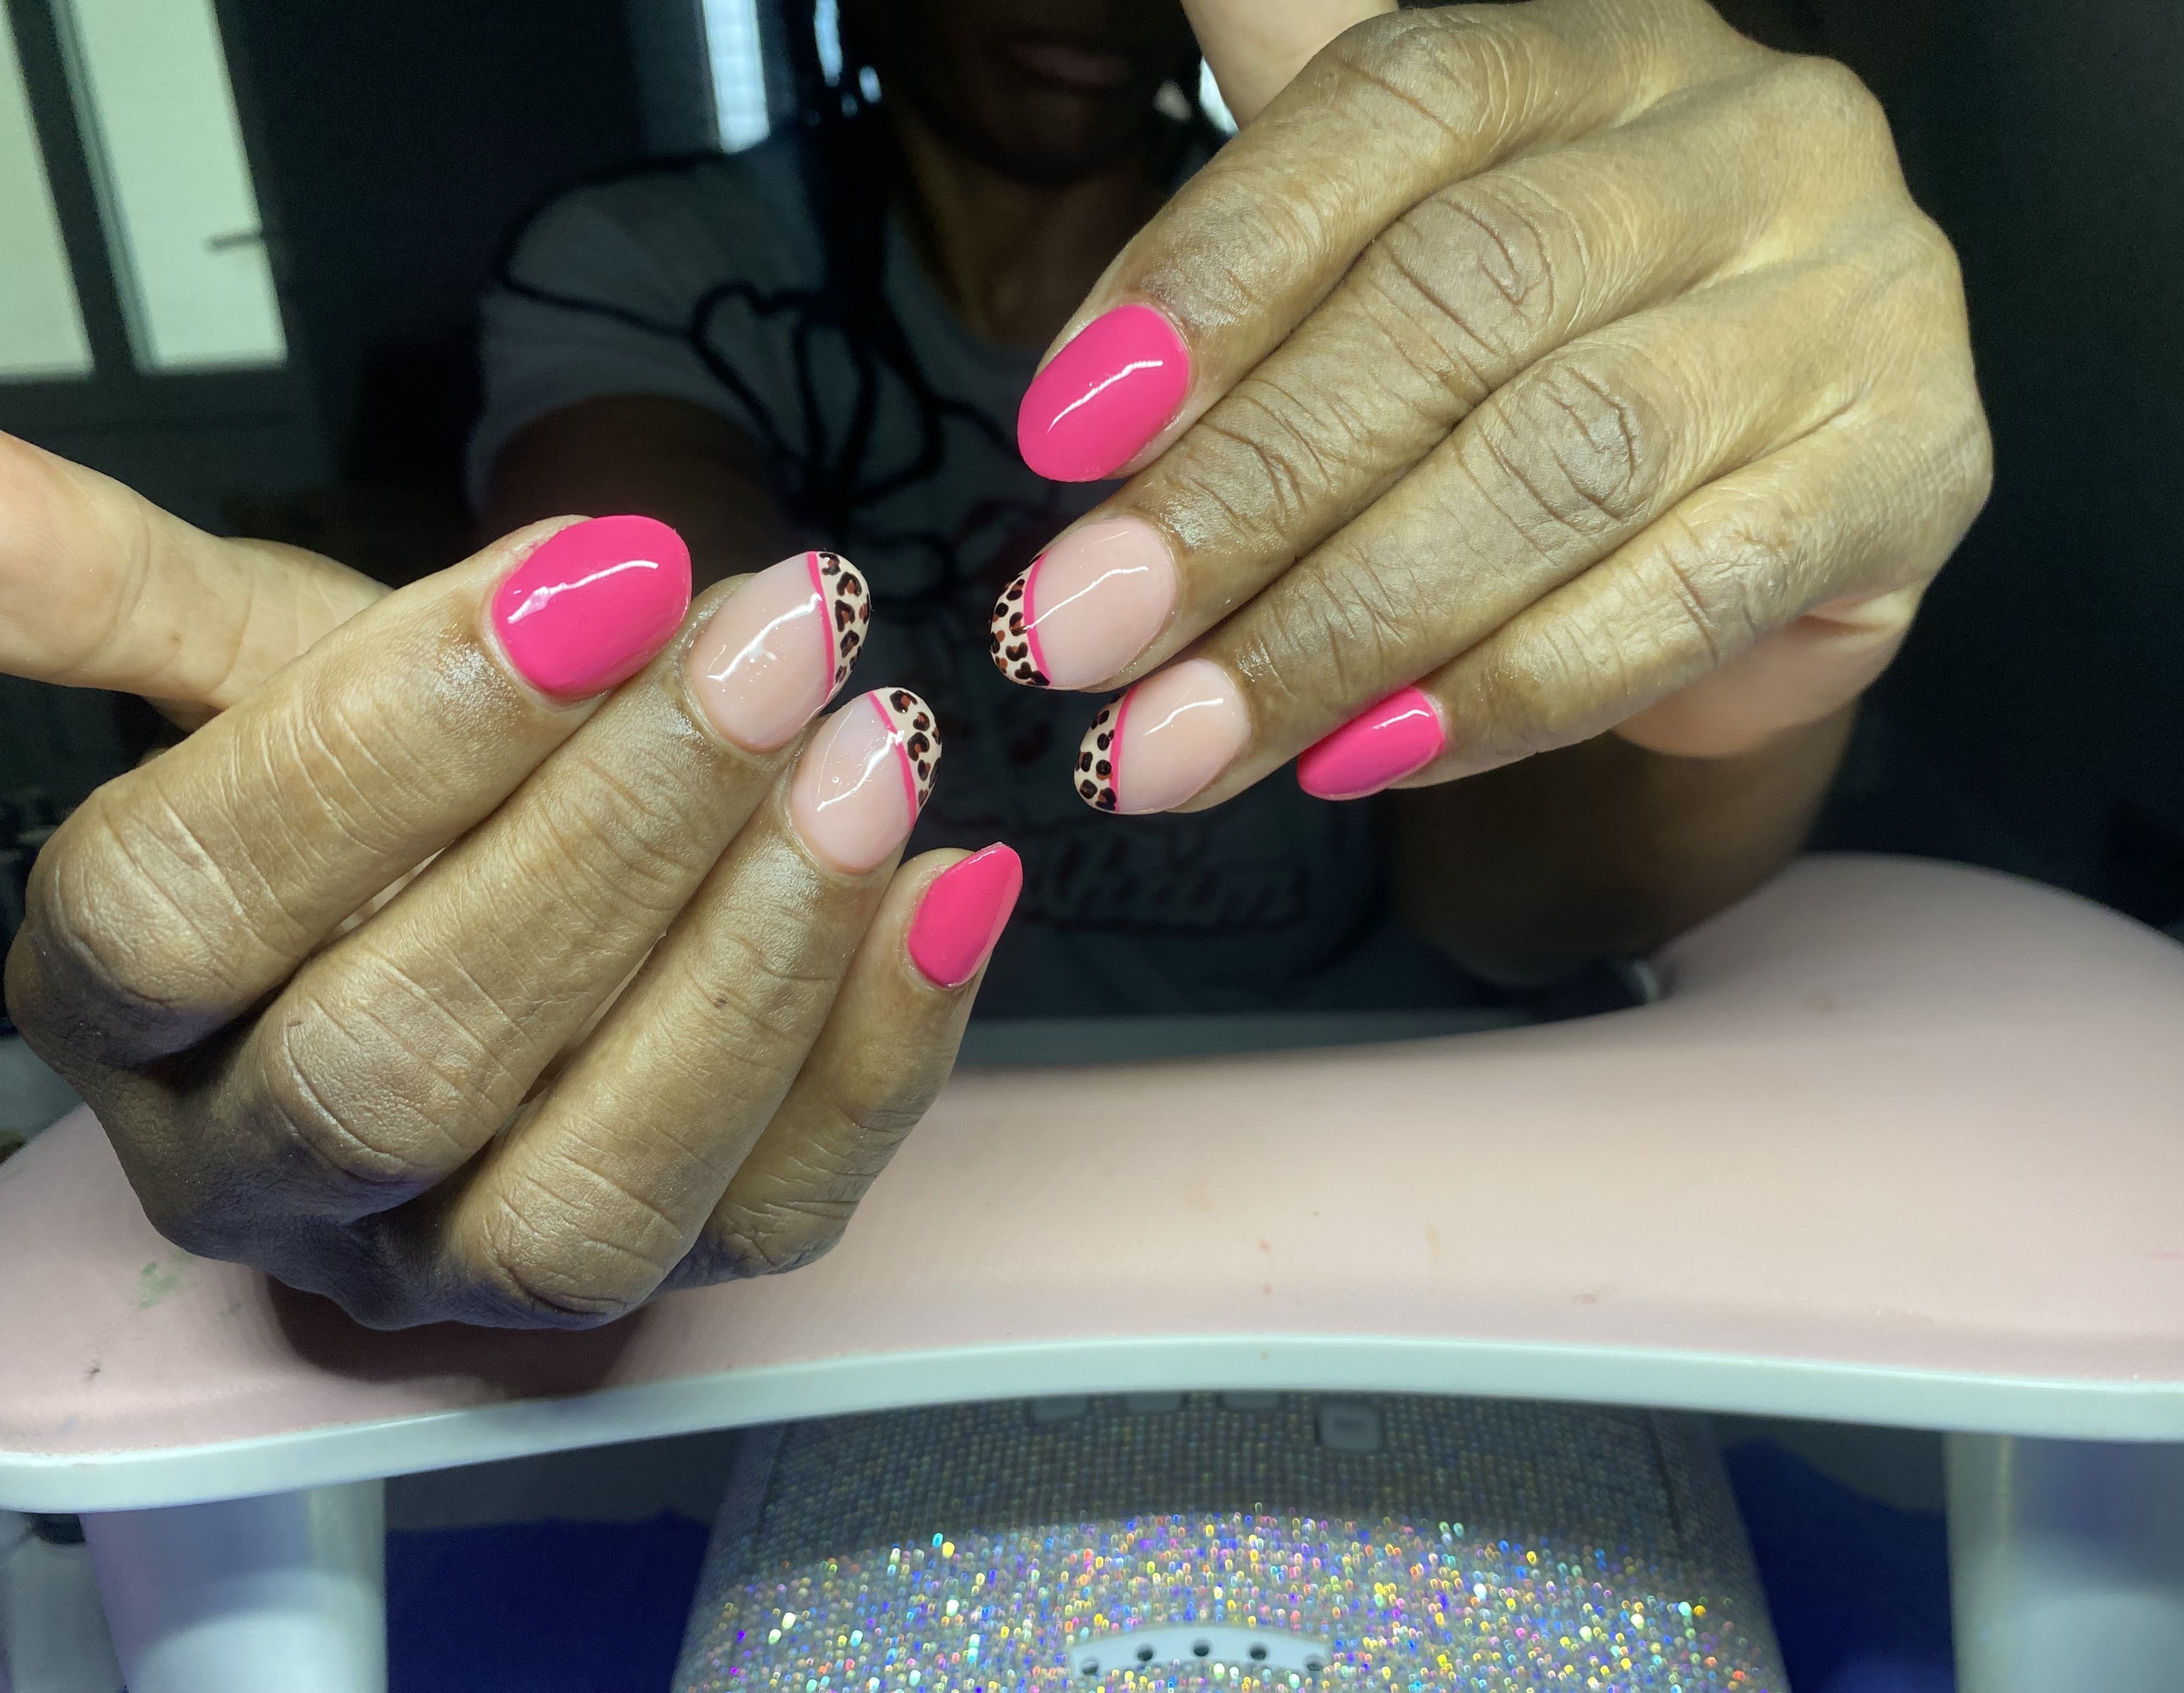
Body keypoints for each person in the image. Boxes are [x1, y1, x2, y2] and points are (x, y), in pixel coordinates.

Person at [1, 0, 1988, 1329]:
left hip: (1380, 1155)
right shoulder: (662, 259)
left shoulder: (1421, 253)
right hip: (868, 1215)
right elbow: (667, 589)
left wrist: (1742, 667)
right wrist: (578, 792)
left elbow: (1506, 902)